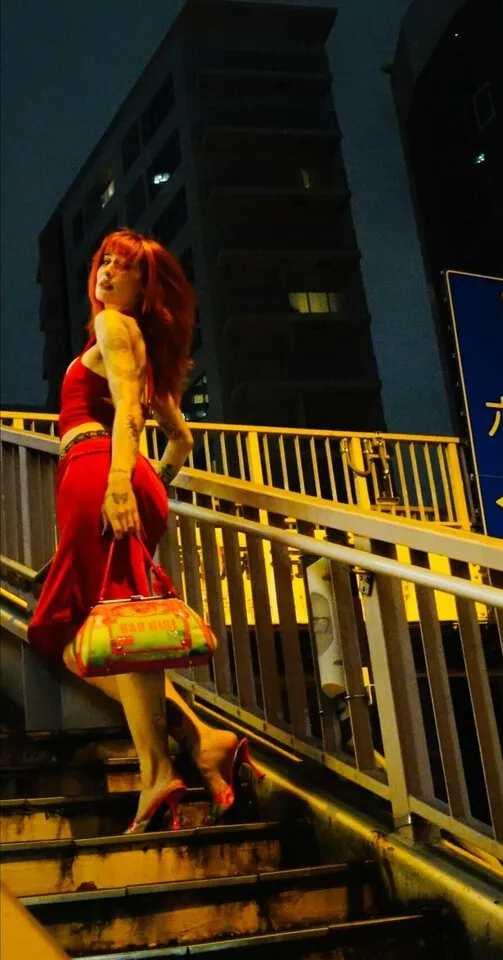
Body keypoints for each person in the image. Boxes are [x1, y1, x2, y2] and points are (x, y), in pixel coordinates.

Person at [28, 229, 262, 833]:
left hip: (97, 470)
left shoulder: (113, 326)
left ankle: (160, 769)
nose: (106, 272)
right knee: (118, 624)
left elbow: (128, 407)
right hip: (118, 475)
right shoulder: (134, 342)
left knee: (70, 631)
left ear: (144, 284)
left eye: (122, 266)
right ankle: (201, 740)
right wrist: (147, 480)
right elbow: (181, 438)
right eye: (103, 261)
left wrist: (117, 483)